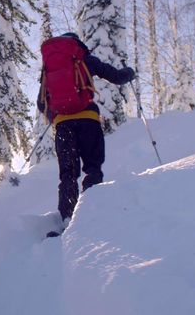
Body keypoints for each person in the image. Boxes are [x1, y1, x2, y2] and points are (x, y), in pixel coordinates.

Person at [37, 32, 135, 237]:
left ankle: (67, 219)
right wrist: (129, 72)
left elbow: (41, 103)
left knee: (68, 174)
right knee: (92, 168)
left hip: (63, 125)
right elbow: (116, 76)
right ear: (76, 43)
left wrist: (55, 115)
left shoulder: (49, 68)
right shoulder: (83, 58)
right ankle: (92, 215)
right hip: (88, 119)